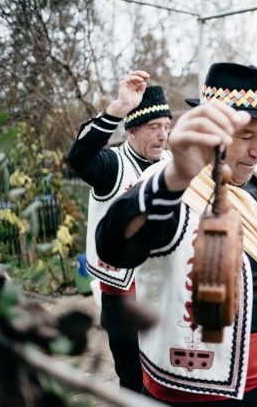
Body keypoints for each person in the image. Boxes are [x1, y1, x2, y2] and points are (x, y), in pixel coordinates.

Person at [95, 62, 257, 405]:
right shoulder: (169, 186)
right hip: (194, 388)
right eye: (246, 136)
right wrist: (175, 176)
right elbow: (114, 247)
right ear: (211, 131)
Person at [66, 70, 172, 392]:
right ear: (132, 129)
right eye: (154, 128)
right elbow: (79, 158)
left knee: (165, 377)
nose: (163, 136)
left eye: (166, 127)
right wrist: (118, 108)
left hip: (164, 291)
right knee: (134, 381)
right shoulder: (112, 166)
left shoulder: (171, 164)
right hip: (124, 296)